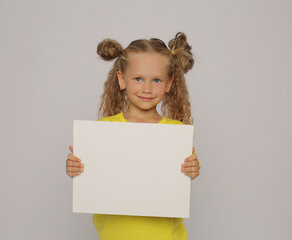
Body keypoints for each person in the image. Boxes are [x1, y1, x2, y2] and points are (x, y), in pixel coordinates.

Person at [66, 32, 201, 240]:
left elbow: (188, 171)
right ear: (122, 79)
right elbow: (89, 176)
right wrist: (75, 167)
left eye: (156, 80)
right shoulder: (103, 130)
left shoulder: (176, 134)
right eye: (138, 78)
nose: (147, 88)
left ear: (169, 84)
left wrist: (193, 168)